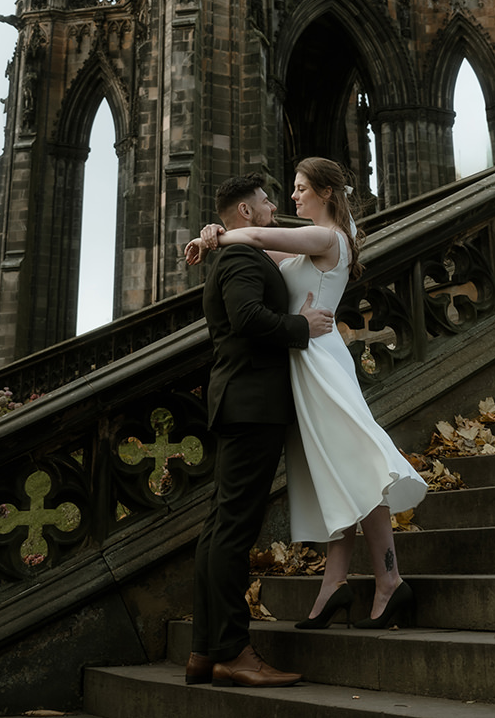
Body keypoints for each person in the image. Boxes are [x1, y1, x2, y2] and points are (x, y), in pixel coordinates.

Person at [186, 157, 427, 631]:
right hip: (303, 362)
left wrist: (218, 235)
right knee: (331, 473)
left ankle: (389, 582)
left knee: (359, 466)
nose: (291, 198)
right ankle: (334, 585)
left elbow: (254, 236)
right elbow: (259, 250)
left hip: (320, 363)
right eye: (290, 190)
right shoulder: (305, 246)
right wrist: (217, 231)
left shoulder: (327, 237)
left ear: (325, 193)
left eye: (299, 189)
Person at [185, 173, 336, 689]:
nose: (275, 206)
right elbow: (247, 317)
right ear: (246, 212)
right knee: (232, 532)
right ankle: (232, 652)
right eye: (266, 200)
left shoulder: (237, 251)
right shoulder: (243, 259)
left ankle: (205, 650)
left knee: (218, 529)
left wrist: (215, 234)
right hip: (251, 405)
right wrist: (302, 328)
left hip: (241, 403)